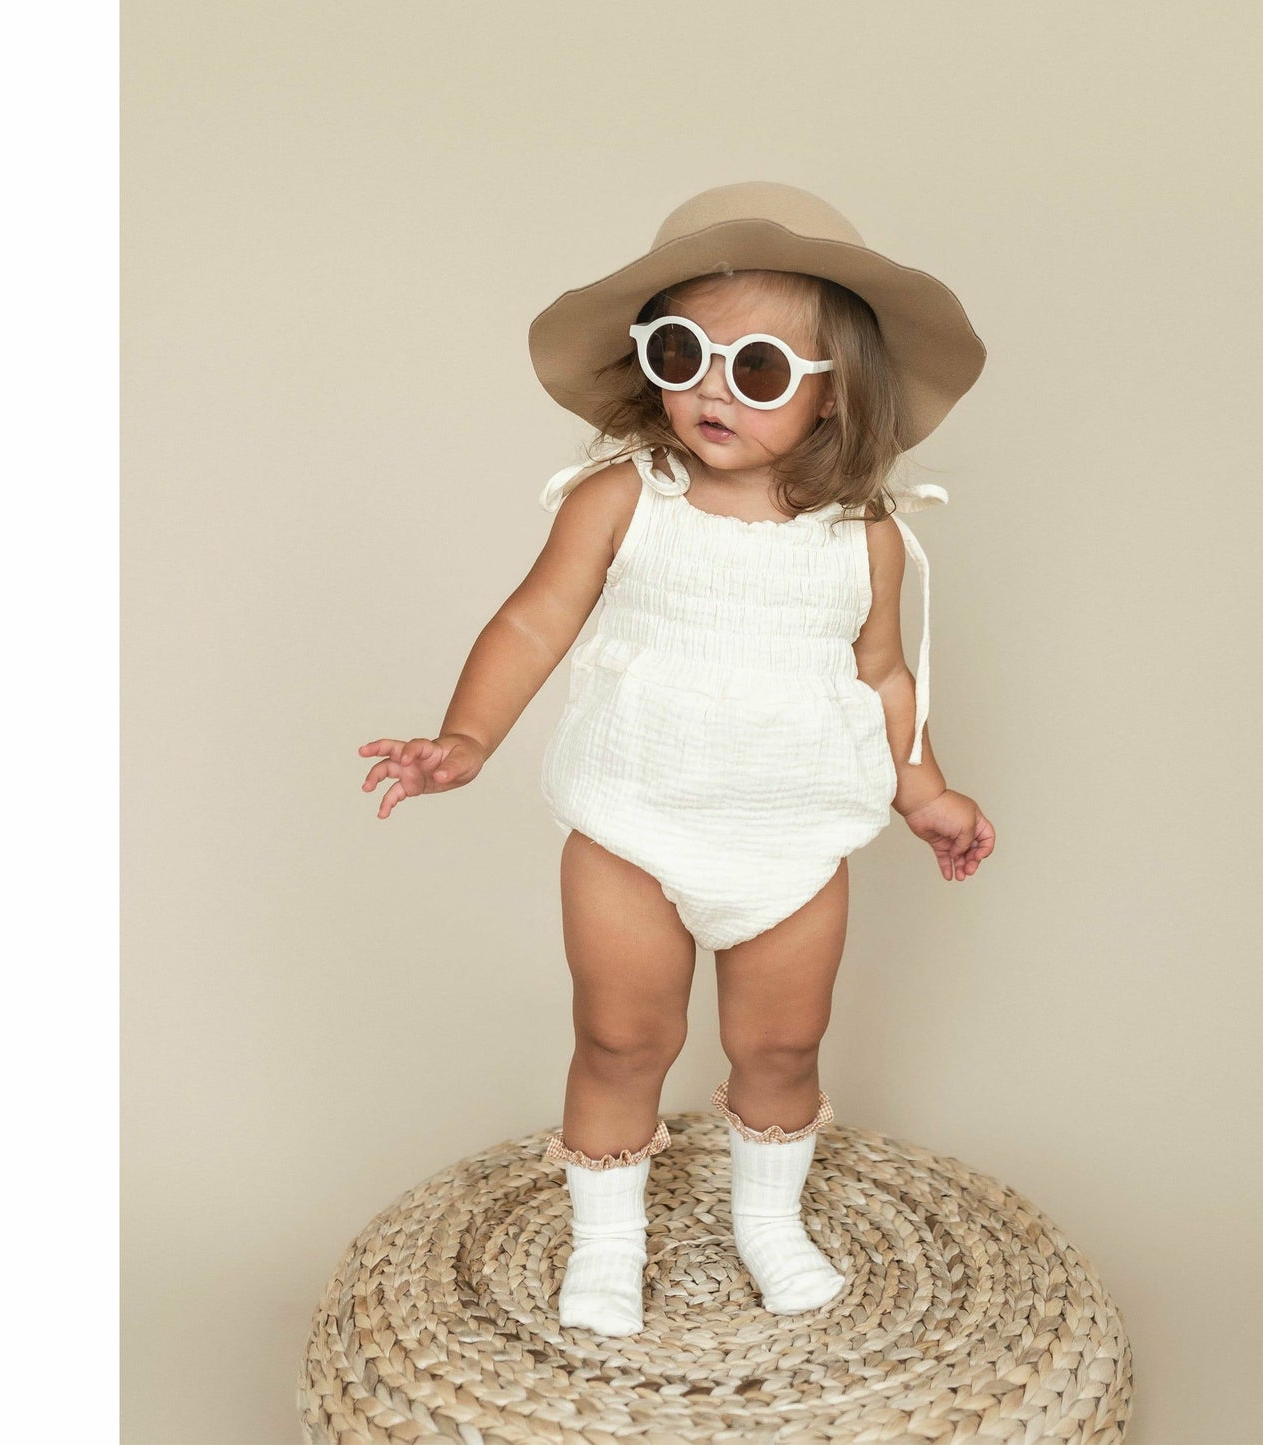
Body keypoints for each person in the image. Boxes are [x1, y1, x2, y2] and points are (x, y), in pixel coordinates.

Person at [357, 182, 996, 1337]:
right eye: (679, 353)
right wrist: (465, 738)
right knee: (619, 1036)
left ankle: (768, 1221)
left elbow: (882, 676)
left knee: (780, 1044)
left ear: (832, 392)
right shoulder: (623, 498)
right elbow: (533, 621)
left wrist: (926, 790)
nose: (710, 388)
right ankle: (606, 1240)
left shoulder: (863, 536)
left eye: (756, 368)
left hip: (792, 836)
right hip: (632, 823)